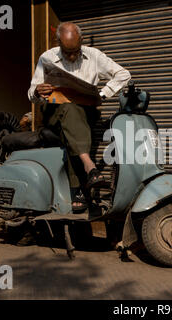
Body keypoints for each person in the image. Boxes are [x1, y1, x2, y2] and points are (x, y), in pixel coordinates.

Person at [28, 22, 131, 209]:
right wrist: (37, 92)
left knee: (73, 116)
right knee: (68, 109)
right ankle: (90, 167)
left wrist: (102, 94)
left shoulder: (94, 55)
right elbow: (32, 94)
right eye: (67, 52)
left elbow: (123, 75)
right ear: (58, 42)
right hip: (54, 113)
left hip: (85, 112)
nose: (72, 56)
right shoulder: (47, 58)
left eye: (75, 50)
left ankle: (78, 189)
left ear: (81, 41)